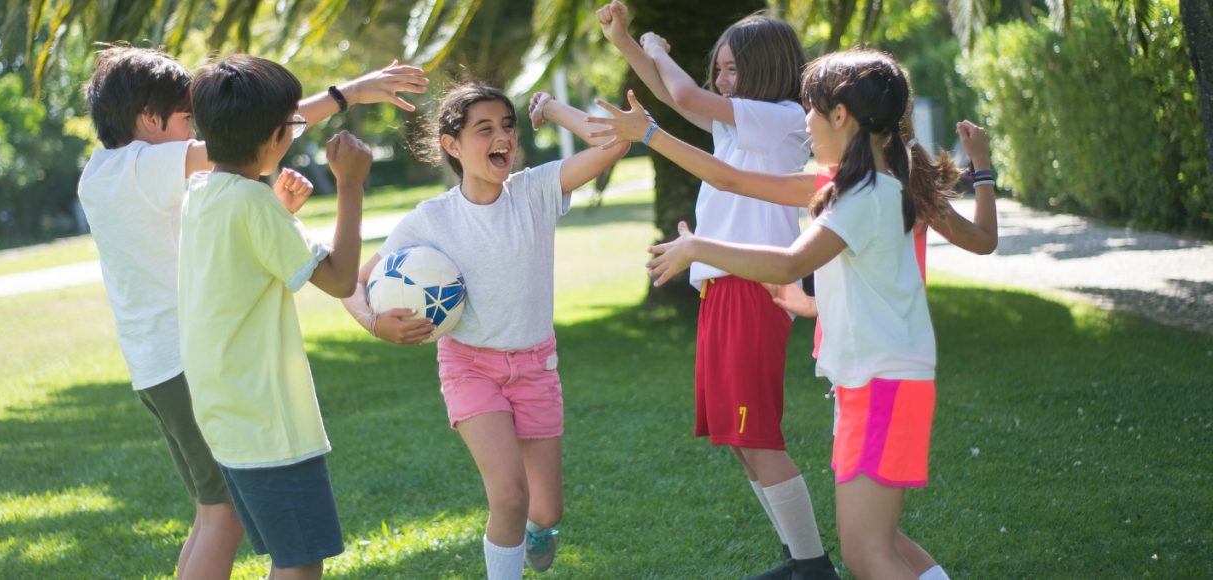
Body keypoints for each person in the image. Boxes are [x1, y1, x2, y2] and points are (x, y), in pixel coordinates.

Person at [77, 45, 425, 579]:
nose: (195, 133)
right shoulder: (146, 167)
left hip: (163, 366)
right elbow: (247, 133)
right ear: (148, 119)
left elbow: (244, 145)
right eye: (187, 119)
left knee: (213, 513)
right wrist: (347, 106)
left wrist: (277, 210)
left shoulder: (112, 176)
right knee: (227, 520)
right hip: (198, 368)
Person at [632, 49, 942, 579]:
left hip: (883, 387)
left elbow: (792, 261)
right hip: (874, 384)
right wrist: (813, 304)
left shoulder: (862, 195)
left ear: (840, 115)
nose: (805, 122)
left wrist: (699, 247)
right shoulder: (862, 187)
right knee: (880, 541)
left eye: (810, 109)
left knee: (867, 553)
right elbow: (877, 288)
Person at [341, 83, 628, 579]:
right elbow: (352, 282)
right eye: (485, 129)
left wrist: (553, 109)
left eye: (508, 126)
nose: (503, 138)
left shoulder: (536, 191)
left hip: (536, 364)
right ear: (452, 144)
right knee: (510, 496)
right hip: (469, 366)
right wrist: (373, 322)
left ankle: (538, 530)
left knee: (545, 509)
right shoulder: (431, 219)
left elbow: (618, 140)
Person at [596, 3, 836, 578]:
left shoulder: (779, 116)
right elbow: (675, 98)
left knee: (758, 436)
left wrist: (658, 48)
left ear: (765, 68)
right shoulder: (744, 121)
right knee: (741, 438)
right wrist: (627, 42)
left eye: (731, 70)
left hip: (751, 284)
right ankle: (798, 557)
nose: (720, 81)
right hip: (724, 287)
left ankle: (814, 568)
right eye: (719, 70)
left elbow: (682, 95)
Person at [177, 54, 376, 580]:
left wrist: (280, 212)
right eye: (293, 123)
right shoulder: (253, 204)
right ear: (274, 137)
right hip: (268, 419)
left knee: (290, 557)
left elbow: (238, 269)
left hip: (227, 410)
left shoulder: (203, 192)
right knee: (301, 563)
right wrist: (350, 184)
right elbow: (341, 280)